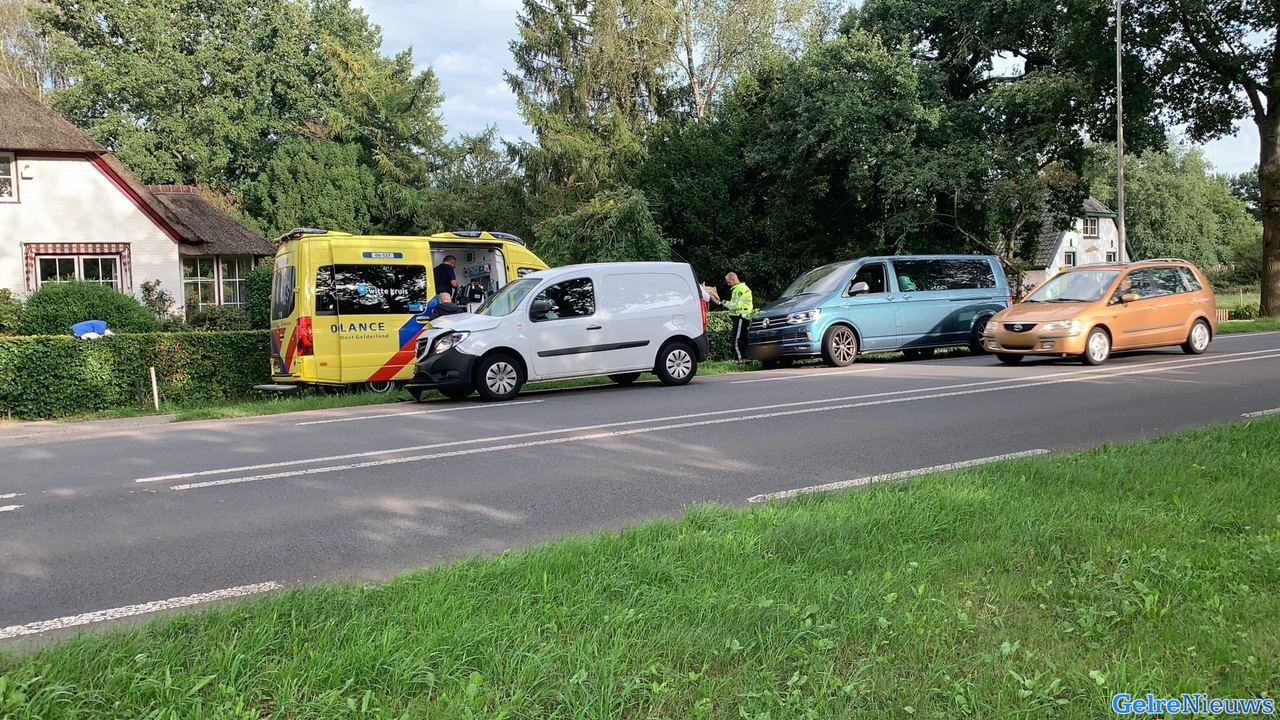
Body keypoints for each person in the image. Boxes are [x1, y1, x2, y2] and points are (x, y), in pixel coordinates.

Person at [721, 272, 754, 363]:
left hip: (740, 316)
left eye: (729, 282)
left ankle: (739, 360)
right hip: (744, 317)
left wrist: (725, 303)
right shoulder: (741, 288)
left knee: (736, 339)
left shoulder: (739, 290)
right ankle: (747, 359)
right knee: (743, 339)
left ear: (733, 279)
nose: (728, 284)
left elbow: (736, 305)